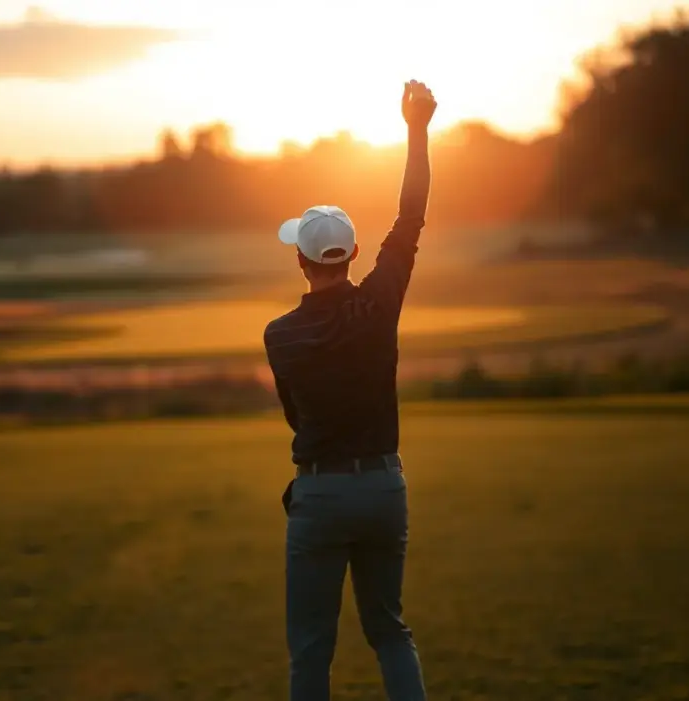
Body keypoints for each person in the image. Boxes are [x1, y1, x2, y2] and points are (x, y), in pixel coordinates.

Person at [264, 80, 437, 701]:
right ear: (354, 253)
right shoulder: (378, 304)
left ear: (303, 262)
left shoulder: (280, 336)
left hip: (320, 491)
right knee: (390, 631)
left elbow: (296, 417)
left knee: (311, 648)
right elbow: (411, 215)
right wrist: (416, 129)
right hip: (385, 487)